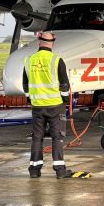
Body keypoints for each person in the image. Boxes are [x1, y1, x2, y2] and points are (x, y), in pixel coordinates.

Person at [23, 31, 73, 179]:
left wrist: (30, 99)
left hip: (37, 106)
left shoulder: (29, 60)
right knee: (57, 137)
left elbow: (25, 85)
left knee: (37, 138)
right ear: (52, 43)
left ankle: (34, 169)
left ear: (39, 42)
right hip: (55, 106)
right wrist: (65, 100)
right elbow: (65, 85)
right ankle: (59, 170)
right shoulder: (56, 60)